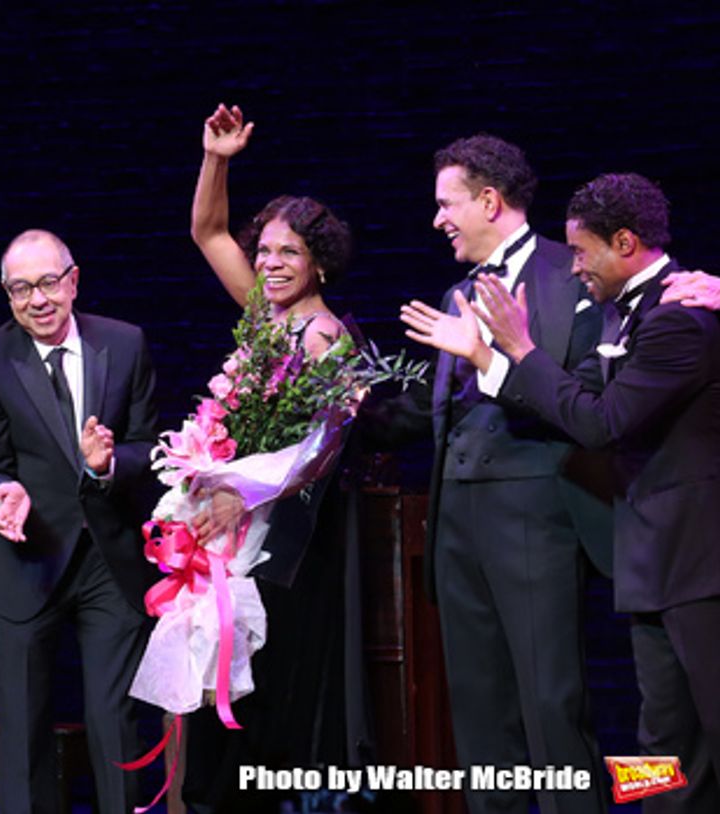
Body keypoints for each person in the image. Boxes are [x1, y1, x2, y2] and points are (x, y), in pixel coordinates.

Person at [403, 172, 720, 812]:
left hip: (697, 561)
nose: (573, 267)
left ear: (624, 242)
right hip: (651, 561)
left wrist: (515, 350)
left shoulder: (678, 316)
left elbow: (600, 421)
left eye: (581, 252)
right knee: (659, 741)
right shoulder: (626, 307)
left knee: (702, 728)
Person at [364, 135, 611, 814]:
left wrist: (489, 358)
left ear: (490, 201)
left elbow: (583, 402)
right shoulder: (457, 291)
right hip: (456, 522)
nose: (438, 219)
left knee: (550, 703)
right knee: (477, 711)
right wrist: (345, 413)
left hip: (534, 515)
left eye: (447, 205)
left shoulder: (574, 277)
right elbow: (428, 411)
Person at [179, 103, 366, 812]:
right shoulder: (264, 315)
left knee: (267, 691)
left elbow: (318, 452)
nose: (269, 263)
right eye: (266, 252)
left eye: (288, 253)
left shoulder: (324, 337)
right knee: (220, 682)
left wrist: (244, 496)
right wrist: (217, 158)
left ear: (318, 260)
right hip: (234, 536)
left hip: (287, 542)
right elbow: (208, 229)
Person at [0, 228, 159, 814]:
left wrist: (107, 465)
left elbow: (150, 448)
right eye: (21, 289)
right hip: (28, 557)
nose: (37, 300)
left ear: (73, 280)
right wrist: (3, 493)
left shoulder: (123, 345)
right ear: (6, 294)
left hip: (108, 561)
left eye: (48, 283)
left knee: (113, 716)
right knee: (22, 727)